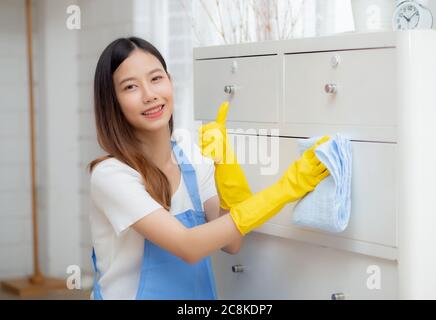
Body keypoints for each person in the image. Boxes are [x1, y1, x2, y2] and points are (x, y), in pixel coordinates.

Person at [88, 37, 329, 300]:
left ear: (169, 81)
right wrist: (286, 189)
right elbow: (188, 246)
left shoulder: (188, 154)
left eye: (156, 78)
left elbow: (231, 242)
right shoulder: (111, 175)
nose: (150, 95)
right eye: (131, 86)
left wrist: (226, 169)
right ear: (113, 102)